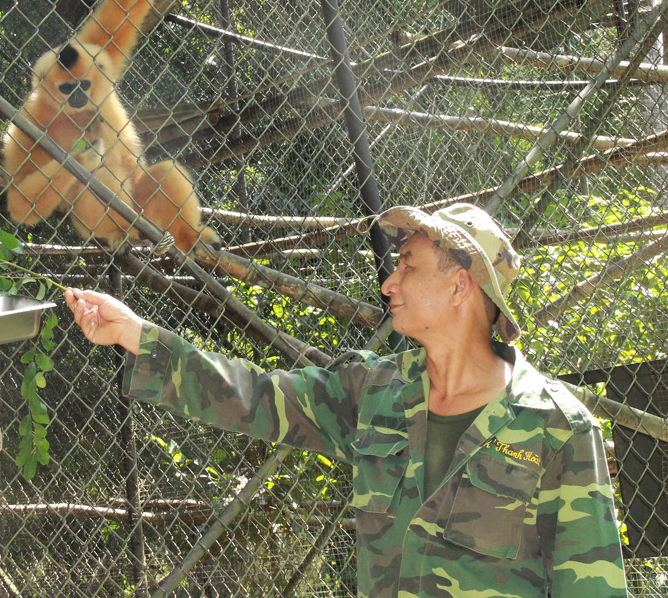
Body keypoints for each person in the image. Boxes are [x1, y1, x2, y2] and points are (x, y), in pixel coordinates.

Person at [65, 203, 628, 598]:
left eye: (408, 265)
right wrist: (138, 336)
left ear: (461, 287)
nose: (389, 283)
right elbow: (258, 395)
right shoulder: (375, 393)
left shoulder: (559, 429)